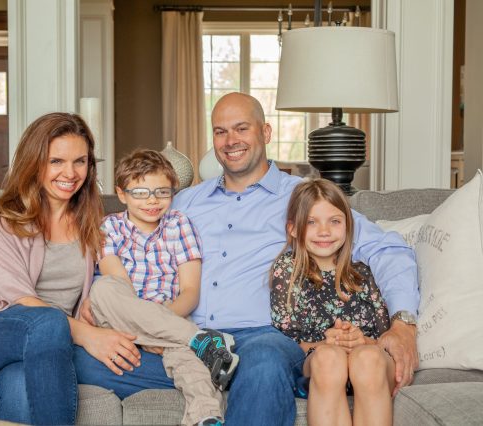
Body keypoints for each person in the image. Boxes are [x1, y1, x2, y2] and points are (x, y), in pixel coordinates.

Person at [76, 92, 419, 425]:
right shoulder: (183, 202)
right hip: (185, 336)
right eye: (220, 131)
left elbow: (387, 249)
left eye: (242, 128)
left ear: (265, 132)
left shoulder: (302, 197)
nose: (230, 141)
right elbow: (131, 245)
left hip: (261, 338)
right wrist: (100, 300)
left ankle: (236, 379)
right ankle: (217, 373)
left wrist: (403, 323)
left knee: (265, 364)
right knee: (84, 359)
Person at [0, 112, 141, 425]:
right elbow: (21, 300)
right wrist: (89, 335)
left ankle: (203, 378)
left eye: (80, 161)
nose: (70, 172)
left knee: (21, 385)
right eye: (56, 161)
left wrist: (96, 297)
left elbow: (113, 275)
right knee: (48, 323)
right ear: (34, 162)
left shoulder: (92, 223)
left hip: (48, 344)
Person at [90, 149, 238, 426]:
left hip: (170, 315)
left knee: (190, 364)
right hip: (120, 317)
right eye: (140, 193)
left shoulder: (179, 225)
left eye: (162, 192)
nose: (152, 201)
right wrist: (150, 326)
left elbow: (190, 292)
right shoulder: (109, 227)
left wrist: (159, 326)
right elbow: (119, 286)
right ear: (121, 194)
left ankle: (206, 416)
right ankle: (200, 339)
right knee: (104, 288)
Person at [270, 178, 394, 426]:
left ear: (348, 226)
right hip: (319, 361)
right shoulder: (287, 271)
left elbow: (386, 340)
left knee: (367, 358)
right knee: (329, 357)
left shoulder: (363, 270)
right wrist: (327, 343)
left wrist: (360, 341)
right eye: (312, 222)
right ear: (293, 229)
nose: (324, 231)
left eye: (334, 221)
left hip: (371, 362)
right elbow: (288, 346)